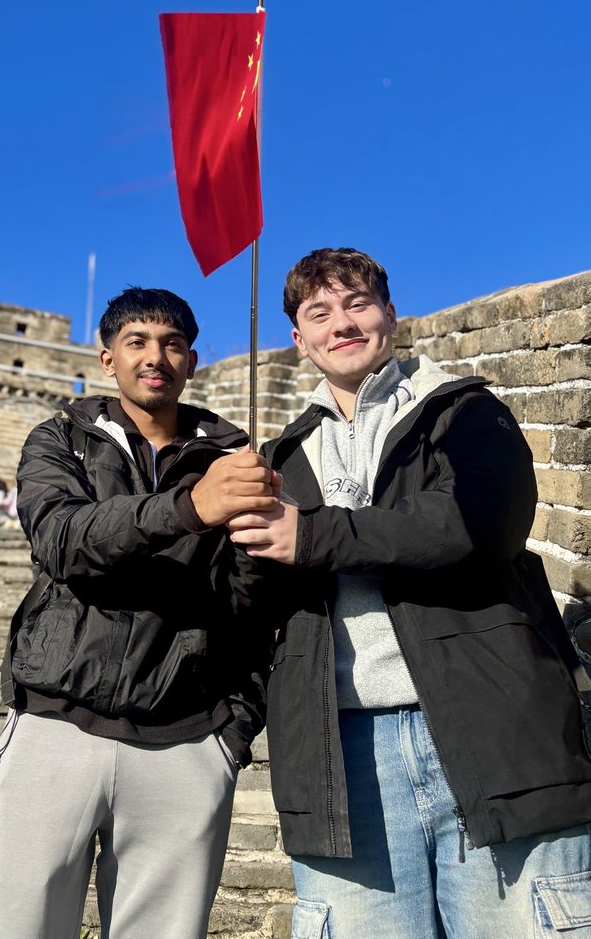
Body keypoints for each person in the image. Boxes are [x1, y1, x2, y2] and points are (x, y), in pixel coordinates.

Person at [228, 248, 591, 938]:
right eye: (319, 313)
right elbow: (252, 612)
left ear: (391, 316)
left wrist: (312, 537)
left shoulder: (464, 414)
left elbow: (480, 524)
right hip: (341, 754)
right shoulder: (279, 461)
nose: (343, 323)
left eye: (358, 303)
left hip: (492, 732)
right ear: (298, 342)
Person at [0, 287, 276, 939]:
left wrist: (232, 734)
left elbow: (254, 604)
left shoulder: (234, 463)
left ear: (192, 359)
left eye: (171, 343)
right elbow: (61, 540)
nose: (154, 357)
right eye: (137, 342)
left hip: (186, 739)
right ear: (108, 359)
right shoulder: (62, 441)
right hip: (56, 723)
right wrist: (189, 509)